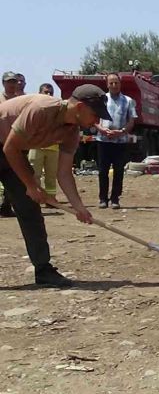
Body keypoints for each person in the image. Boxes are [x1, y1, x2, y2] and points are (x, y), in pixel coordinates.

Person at [1, 84, 109, 286]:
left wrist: (79, 207)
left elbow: (64, 173)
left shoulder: (72, 132)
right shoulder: (41, 109)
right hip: (9, 148)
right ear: (79, 108)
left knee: (30, 212)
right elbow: (10, 147)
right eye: (95, 115)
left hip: (12, 153)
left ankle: (43, 270)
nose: (97, 121)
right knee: (29, 194)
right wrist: (31, 185)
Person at [94, 73, 137, 209]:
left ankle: (115, 199)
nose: (113, 85)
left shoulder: (128, 101)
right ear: (107, 84)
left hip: (120, 142)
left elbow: (131, 120)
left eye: (116, 83)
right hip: (103, 140)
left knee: (118, 171)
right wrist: (101, 129)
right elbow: (94, 118)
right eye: (111, 83)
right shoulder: (101, 99)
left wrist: (122, 131)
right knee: (103, 171)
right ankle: (103, 199)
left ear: (120, 84)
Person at [28, 84, 60, 205]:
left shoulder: (57, 109)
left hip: (53, 147)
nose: (48, 95)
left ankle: (50, 199)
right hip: (36, 147)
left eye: (50, 92)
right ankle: (35, 199)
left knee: (51, 176)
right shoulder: (34, 108)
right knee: (34, 175)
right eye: (45, 92)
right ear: (39, 93)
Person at [0, 71, 19, 217]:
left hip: (15, 143)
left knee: (14, 176)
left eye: (14, 81)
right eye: (9, 82)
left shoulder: (21, 100)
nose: (12, 84)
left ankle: (6, 205)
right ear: (3, 83)